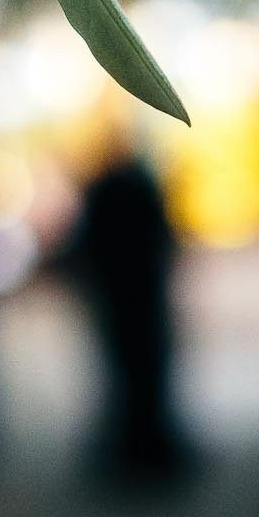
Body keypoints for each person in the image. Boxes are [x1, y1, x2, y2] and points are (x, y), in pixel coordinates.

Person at [73, 148, 194, 487]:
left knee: (126, 373)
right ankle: (148, 449)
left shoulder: (104, 191)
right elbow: (165, 240)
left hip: (117, 299)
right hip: (144, 298)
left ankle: (132, 449)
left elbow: (86, 246)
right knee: (148, 373)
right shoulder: (141, 189)